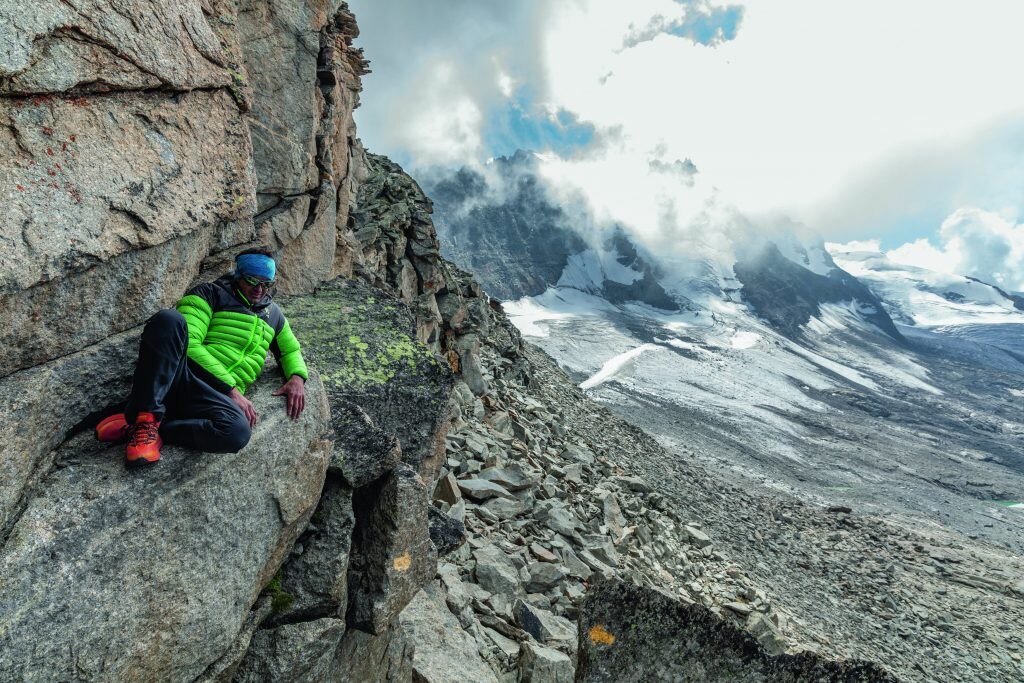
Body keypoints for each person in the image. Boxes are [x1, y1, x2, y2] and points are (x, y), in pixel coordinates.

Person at [95, 248, 308, 467]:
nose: (259, 290)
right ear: (239, 275)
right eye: (252, 281)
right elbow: (191, 346)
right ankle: (145, 420)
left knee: (237, 433)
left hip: (214, 398)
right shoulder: (210, 294)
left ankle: (147, 429)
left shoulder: (273, 314)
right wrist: (231, 389)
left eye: (267, 284)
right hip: (185, 379)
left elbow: (290, 350)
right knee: (169, 320)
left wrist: (297, 377)